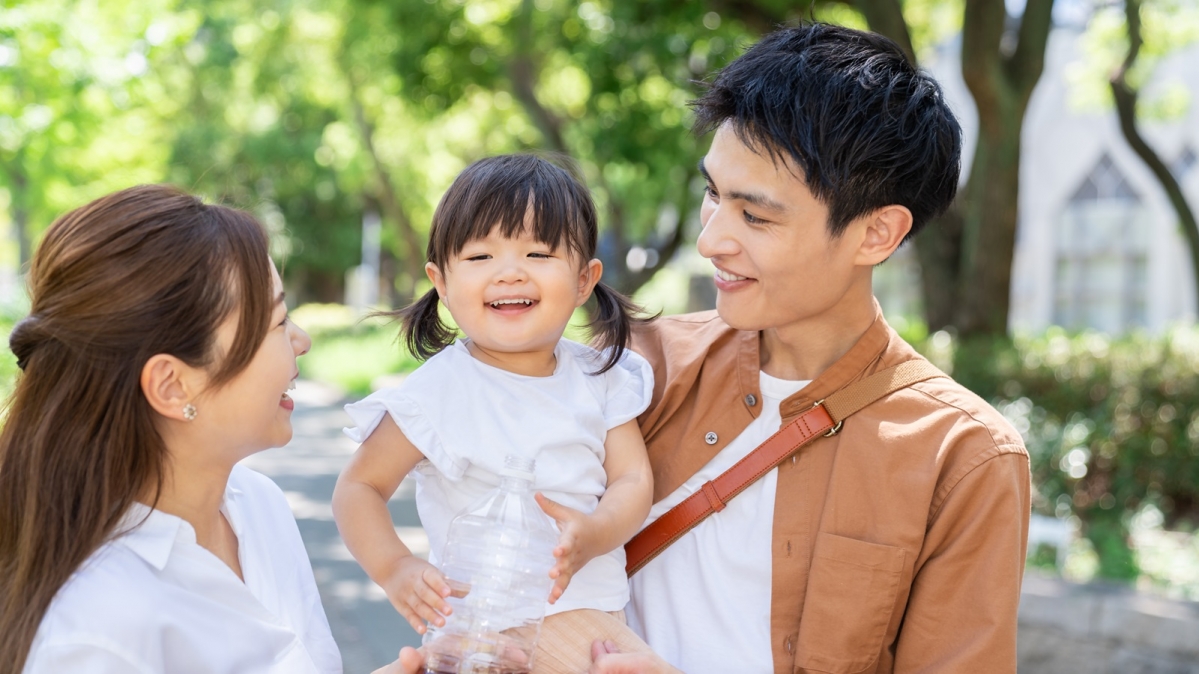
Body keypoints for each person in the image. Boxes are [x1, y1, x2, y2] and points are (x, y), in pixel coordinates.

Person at [398, 22, 1030, 674]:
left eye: (755, 216)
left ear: (876, 234)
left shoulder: (962, 459)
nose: (710, 241)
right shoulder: (635, 366)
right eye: (711, 194)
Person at [333, 154, 655, 673]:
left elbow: (632, 479)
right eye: (481, 256)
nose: (510, 272)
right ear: (441, 282)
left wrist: (596, 531)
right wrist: (395, 567)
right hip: (480, 635)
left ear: (584, 279)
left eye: (538, 253)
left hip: (589, 622)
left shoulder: (601, 377)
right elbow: (358, 487)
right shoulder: (438, 391)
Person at [0, 185, 342, 673]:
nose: (301, 340)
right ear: (172, 386)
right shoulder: (94, 635)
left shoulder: (258, 505)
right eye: (277, 322)